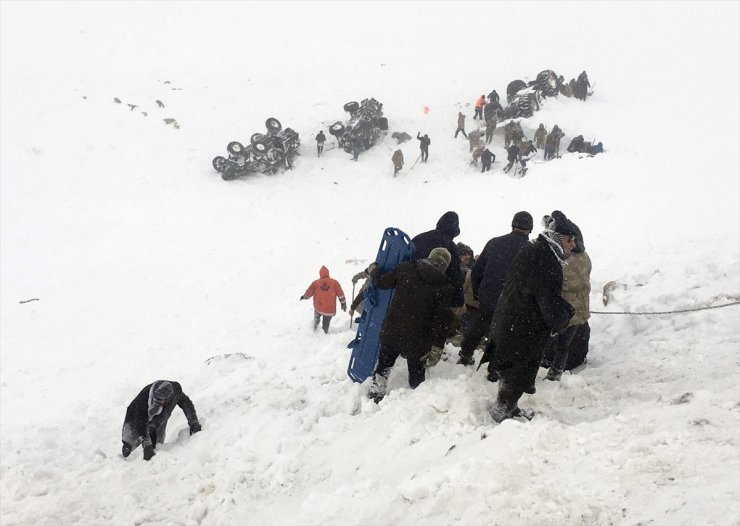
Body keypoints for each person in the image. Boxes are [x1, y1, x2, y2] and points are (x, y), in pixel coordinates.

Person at [488, 211, 577, 422]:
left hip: (514, 320)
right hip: (522, 327)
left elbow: (537, 292)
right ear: (557, 239)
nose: (572, 245)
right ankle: (503, 412)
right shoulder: (545, 259)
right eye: (569, 240)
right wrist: (563, 317)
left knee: (512, 369)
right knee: (517, 371)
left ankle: (509, 407)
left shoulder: (536, 251)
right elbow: (546, 297)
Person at [366, 248, 454, 402]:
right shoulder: (445, 287)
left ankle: (375, 394)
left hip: (392, 330)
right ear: (445, 266)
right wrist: (437, 347)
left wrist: (373, 271)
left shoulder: (406, 268)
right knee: (416, 373)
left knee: (384, 365)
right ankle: (414, 402)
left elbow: (382, 282)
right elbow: (442, 321)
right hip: (418, 339)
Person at [457, 212, 533, 367]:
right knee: (508, 332)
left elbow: (477, 270)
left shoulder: (494, 243)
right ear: (530, 229)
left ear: (512, 225)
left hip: (489, 296)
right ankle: (497, 365)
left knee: (481, 324)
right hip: (513, 300)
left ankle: (465, 354)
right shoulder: (530, 249)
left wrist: (479, 292)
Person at [541, 221, 591, 380]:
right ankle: (574, 363)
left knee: (559, 343)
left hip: (564, 312)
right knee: (576, 338)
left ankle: (554, 370)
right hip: (581, 311)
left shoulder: (562, 259)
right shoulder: (584, 256)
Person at [121, 380, 201, 461]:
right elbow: (140, 421)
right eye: (156, 399)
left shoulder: (176, 391)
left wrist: (193, 421)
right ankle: (126, 452)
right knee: (131, 440)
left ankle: (152, 458)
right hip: (135, 415)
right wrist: (146, 444)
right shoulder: (144, 397)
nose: (158, 402)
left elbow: (186, 403)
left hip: (160, 418)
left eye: (161, 400)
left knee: (156, 445)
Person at [411, 211, 464, 309]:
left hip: (407, 290)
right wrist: (458, 300)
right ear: (455, 230)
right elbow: (455, 275)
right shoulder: (450, 248)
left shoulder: (419, 238)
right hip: (429, 299)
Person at [300, 266, 347, 334]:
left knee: (316, 319)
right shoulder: (335, 283)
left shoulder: (315, 283)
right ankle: (324, 333)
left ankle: (314, 330)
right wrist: (343, 304)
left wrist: (304, 297)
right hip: (329, 309)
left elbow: (309, 293)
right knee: (326, 323)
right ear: (328, 273)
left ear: (320, 274)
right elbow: (341, 295)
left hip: (318, 307)